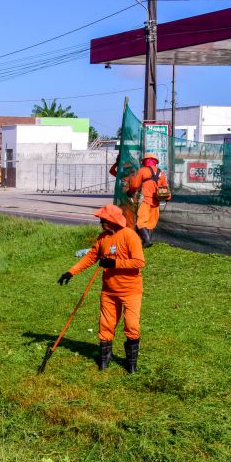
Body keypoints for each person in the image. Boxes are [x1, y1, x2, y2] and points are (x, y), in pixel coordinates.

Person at [57, 204, 145, 373]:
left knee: (132, 326)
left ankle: (131, 365)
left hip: (130, 291)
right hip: (109, 291)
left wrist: (115, 263)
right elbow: (90, 257)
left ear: (112, 221)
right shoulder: (103, 238)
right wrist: (70, 272)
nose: (101, 223)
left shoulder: (129, 236)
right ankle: (104, 360)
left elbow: (139, 262)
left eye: (103, 220)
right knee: (105, 325)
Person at [127, 153, 171, 248]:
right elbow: (165, 188)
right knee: (151, 223)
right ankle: (147, 242)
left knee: (141, 222)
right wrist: (168, 197)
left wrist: (130, 192)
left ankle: (147, 241)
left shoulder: (142, 171)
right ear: (155, 162)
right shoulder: (161, 173)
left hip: (145, 200)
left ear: (145, 161)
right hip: (156, 202)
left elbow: (134, 185)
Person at [109, 155, 137, 230]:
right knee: (122, 214)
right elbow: (111, 171)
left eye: (127, 169)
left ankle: (130, 231)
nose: (125, 170)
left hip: (129, 198)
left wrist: (130, 194)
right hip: (122, 197)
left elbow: (134, 187)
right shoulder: (122, 175)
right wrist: (116, 163)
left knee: (129, 215)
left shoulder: (132, 176)